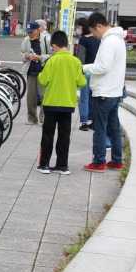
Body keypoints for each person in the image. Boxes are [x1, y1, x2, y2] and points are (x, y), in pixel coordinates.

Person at [36, 31, 87, 175]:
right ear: (66, 44)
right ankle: (62, 165)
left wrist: (41, 73)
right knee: (64, 136)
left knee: (48, 135)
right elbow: (82, 82)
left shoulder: (51, 61)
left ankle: (44, 164)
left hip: (51, 104)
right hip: (68, 105)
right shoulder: (76, 61)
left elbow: (43, 80)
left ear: (53, 45)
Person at [81, 13, 126, 172]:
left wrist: (83, 68)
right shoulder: (119, 39)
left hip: (104, 91)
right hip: (115, 91)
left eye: (93, 32)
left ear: (98, 26)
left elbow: (103, 67)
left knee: (100, 128)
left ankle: (99, 162)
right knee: (114, 127)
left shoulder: (109, 41)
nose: (94, 35)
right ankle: (116, 160)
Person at [21, 21, 51, 125]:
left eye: (31, 32)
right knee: (30, 97)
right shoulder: (25, 40)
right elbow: (22, 53)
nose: (29, 34)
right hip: (30, 71)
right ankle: (32, 119)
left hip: (43, 71)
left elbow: (53, 55)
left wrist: (40, 57)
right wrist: (26, 56)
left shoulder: (46, 39)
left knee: (44, 96)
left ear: (38, 30)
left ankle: (44, 118)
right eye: (28, 32)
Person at [75, 17, 98, 131]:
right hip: (96, 72)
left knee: (84, 98)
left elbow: (80, 58)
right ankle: (92, 120)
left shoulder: (83, 40)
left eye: (78, 27)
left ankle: (84, 122)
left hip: (85, 71)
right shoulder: (98, 39)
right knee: (93, 98)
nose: (77, 29)